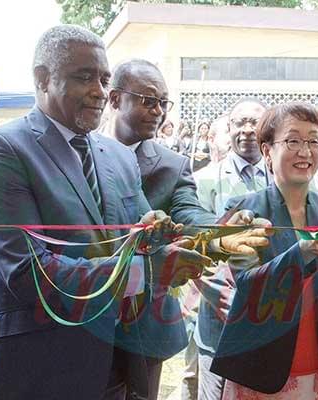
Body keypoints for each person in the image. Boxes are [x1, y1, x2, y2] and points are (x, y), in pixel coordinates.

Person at [0, 25, 208, 400]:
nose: (99, 91)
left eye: (104, 78)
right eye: (84, 78)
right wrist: (146, 272)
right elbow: (27, 273)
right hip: (34, 368)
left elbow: (149, 234)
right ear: (42, 79)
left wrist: (219, 233)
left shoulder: (114, 155)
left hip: (112, 364)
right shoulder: (3, 150)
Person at [107, 58, 272, 400]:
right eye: (148, 101)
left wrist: (222, 231)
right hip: (82, 311)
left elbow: (190, 213)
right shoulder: (81, 152)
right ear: (114, 99)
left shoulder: (171, 165)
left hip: (144, 320)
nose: (158, 112)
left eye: (163, 103)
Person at [211, 102, 318, 399]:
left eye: (313, 141)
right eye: (293, 140)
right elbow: (248, 285)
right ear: (268, 151)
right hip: (261, 370)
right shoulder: (245, 211)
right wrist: (306, 252)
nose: (305, 151)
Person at [192, 98, 270, 399]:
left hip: (276, 319)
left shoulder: (287, 178)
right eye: (240, 123)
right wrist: (234, 304)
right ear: (229, 128)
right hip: (221, 320)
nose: (248, 130)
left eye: (256, 123)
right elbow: (197, 249)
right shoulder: (203, 181)